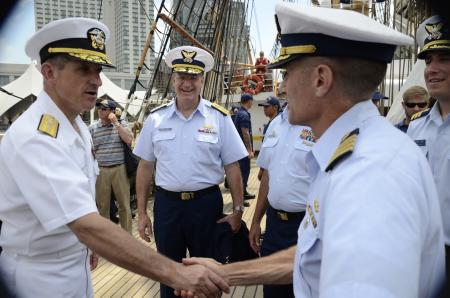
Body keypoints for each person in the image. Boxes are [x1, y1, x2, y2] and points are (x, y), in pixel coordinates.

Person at [180, 4, 445, 298]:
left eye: (289, 72)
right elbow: (316, 254)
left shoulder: (370, 175)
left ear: (321, 79)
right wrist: (223, 272)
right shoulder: (352, 151)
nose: (282, 86)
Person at [0, 18, 228, 298]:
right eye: (83, 69)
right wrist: (178, 273)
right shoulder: (37, 137)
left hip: (75, 268)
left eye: (97, 70)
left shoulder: (77, 127)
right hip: (38, 279)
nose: (96, 80)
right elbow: (84, 224)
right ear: (49, 72)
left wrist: (88, 246)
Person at [133, 45, 247, 298]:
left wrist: (238, 210)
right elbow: (145, 167)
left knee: (207, 277)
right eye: (182, 77)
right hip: (167, 207)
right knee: (167, 274)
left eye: (193, 77)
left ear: (202, 80)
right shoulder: (155, 119)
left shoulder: (219, 118)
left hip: (206, 206)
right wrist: (141, 213)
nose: (187, 83)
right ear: (174, 79)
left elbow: (232, 167)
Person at [249, 105, 314, 298]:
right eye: (285, 75)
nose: (286, 82)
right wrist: (255, 221)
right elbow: (267, 176)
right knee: (272, 290)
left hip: (307, 225)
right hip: (274, 226)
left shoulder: (322, 123)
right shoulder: (276, 123)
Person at [407, 15, 450, 274]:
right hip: (421, 255)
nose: (431, 69)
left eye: (444, 59)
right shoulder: (416, 127)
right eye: (428, 60)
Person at [89, 98, 133, 233]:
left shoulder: (121, 124)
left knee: (124, 205)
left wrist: (116, 123)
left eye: (104, 108)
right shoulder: (92, 128)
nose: (100, 110)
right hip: (101, 170)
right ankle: (107, 239)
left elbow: (129, 140)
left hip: (119, 168)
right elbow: (90, 150)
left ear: (113, 111)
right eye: (99, 108)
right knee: (103, 206)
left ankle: (127, 238)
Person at [234, 93, 256, 201]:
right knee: (244, 173)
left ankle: (244, 193)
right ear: (249, 101)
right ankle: (241, 199)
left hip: (239, 150)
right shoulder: (244, 115)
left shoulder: (239, 113)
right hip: (243, 151)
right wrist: (249, 150)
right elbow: (245, 133)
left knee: (243, 172)